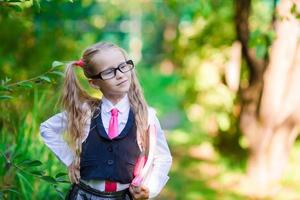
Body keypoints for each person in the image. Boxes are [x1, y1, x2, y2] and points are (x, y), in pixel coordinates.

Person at [39, 41, 172, 200]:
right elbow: (47, 129)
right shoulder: (86, 111)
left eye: (123, 66)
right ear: (94, 83)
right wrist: (70, 160)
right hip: (84, 195)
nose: (120, 74)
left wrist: (149, 189)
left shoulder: (146, 115)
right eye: (109, 72)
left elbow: (162, 157)